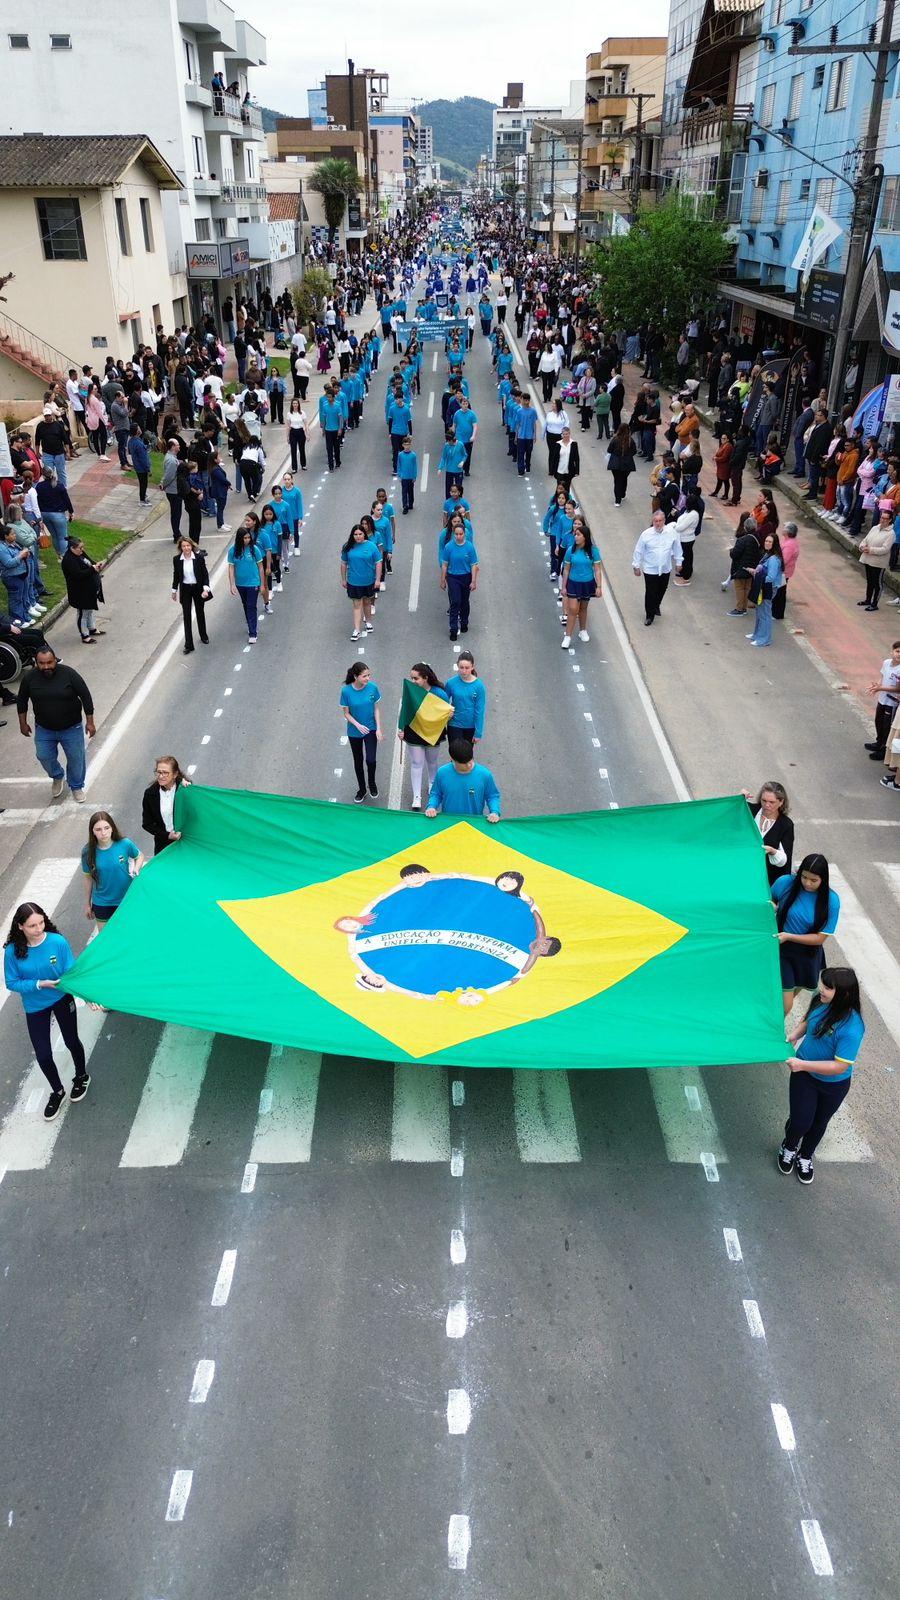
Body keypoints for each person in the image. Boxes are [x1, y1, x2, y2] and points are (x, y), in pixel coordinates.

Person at [779, 968, 865, 1185]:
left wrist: (802, 1064)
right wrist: (793, 1036)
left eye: (828, 987)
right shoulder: (820, 1002)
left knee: (818, 1123)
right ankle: (789, 1146)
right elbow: (808, 1022)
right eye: (823, 985)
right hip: (805, 1076)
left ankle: (805, 1156)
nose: (821, 990)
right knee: (800, 1123)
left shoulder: (853, 1028)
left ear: (844, 995)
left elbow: (838, 1067)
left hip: (833, 1085)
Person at [3, 903, 89, 1121]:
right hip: (35, 1007)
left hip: (61, 999)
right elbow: (12, 983)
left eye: (41, 922)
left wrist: (89, 996)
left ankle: (81, 1076)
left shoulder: (57, 942)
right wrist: (40, 984)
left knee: (72, 1041)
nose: (39, 928)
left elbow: (72, 971)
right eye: (32, 925)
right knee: (43, 1054)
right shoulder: (12, 951)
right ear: (20, 926)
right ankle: (58, 1091)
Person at [17, 645, 95, 802]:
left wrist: (90, 722)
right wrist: (22, 723)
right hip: (44, 729)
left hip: (72, 727)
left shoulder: (69, 674)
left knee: (76, 758)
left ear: (55, 660)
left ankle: (76, 786)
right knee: (43, 755)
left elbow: (85, 696)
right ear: (36, 662)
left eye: (49, 663)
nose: (46, 667)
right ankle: (57, 775)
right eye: (41, 663)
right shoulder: (30, 678)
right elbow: (22, 701)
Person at [772, 854, 840, 1017]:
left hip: (807, 954)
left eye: (813, 880)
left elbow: (820, 938)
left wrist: (790, 936)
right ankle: (769, 1033)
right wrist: (773, 908)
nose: (807, 883)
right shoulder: (785, 883)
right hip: (782, 949)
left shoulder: (832, 901)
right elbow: (770, 900)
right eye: (804, 877)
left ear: (823, 879)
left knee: (785, 996)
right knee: (785, 1005)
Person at [399, 662, 451, 811]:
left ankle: (432, 785)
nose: (413, 681)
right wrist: (401, 728)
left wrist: (449, 715)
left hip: (433, 732)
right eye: (412, 678)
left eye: (416, 678)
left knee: (432, 762)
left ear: (425, 678)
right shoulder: (411, 691)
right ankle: (417, 797)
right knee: (416, 763)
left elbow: (445, 713)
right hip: (414, 730)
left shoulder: (439, 693)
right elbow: (405, 710)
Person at [82, 810, 143, 926]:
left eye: (106, 828)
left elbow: (139, 856)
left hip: (126, 898)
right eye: (98, 829)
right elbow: (87, 878)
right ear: (92, 832)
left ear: (112, 828)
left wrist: (136, 868)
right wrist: (87, 904)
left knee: (129, 933)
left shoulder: (125, 844)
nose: (103, 833)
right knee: (107, 940)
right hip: (102, 902)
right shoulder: (87, 851)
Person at [425, 737, 501, 821]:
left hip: (473, 824)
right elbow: (436, 793)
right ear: (453, 759)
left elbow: (492, 796)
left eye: (470, 760)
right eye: (464, 763)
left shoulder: (485, 775)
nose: (469, 765)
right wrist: (431, 806)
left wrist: (494, 811)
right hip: (449, 823)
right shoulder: (442, 773)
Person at [632, 508, 683, 627]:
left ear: (664, 520)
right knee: (650, 591)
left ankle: (656, 605)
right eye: (655, 521)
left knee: (662, 588)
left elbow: (677, 547)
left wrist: (679, 562)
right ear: (653, 521)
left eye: (660, 520)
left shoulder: (671, 532)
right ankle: (649, 615)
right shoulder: (646, 534)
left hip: (665, 567)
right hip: (650, 569)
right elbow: (638, 550)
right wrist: (636, 565)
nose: (658, 523)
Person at [341, 663, 383, 802]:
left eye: (369, 675)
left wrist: (378, 728)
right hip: (354, 731)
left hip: (370, 729)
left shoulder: (373, 688)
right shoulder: (346, 691)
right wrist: (358, 725)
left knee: (371, 760)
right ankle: (362, 789)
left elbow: (376, 709)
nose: (368, 678)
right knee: (358, 761)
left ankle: (372, 783)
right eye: (364, 676)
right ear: (355, 676)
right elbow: (346, 713)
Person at [560, 525, 602, 650]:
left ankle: (582, 630)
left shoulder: (594, 551)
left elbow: (597, 570)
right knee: (573, 609)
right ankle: (567, 636)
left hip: (587, 583)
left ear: (585, 537)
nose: (575, 537)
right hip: (573, 583)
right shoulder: (570, 551)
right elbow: (566, 570)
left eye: (578, 535)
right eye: (575, 534)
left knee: (583, 607)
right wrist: (564, 587)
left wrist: (599, 586)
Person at [744, 782, 794, 885]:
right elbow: (728, 820)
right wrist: (738, 800)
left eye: (772, 802)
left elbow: (785, 861)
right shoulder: (748, 810)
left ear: (781, 802)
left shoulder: (786, 825)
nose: (767, 805)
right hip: (743, 870)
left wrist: (773, 852)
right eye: (764, 800)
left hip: (766, 880)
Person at [141, 755, 190, 855]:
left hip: (186, 842)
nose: (161, 776)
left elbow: (194, 815)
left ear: (175, 774)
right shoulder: (150, 794)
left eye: (165, 773)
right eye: (159, 772)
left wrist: (187, 787)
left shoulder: (184, 790)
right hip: (163, 845)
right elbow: (147, 824)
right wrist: (167, 835)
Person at [341, 524, 382, 641]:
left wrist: (378, 579)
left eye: (360, 534)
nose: (358, 536)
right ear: (352, 535)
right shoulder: (347, 547)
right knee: (357, 605)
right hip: (354, 582)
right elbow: (343, 563)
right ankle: (357, 630)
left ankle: (368, 622)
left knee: (367, 602)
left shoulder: (371, 547)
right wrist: (343, 579)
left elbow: (378, 562)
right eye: (355, 534)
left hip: (368, 580)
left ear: (364, 534)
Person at [172, 536, 212, 653]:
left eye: (188, 546)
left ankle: (203, 635)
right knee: (187, 616)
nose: (186, 548)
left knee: (200, 612)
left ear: (192, 546)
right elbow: (176, 576)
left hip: (197, 588)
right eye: (183, 546)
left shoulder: (199, 558)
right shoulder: (176, 559)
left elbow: (205, 575)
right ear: (181, 548)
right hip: (185, 589)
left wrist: (206, 589)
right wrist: (174, 590)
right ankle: (188, 645)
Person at [61, 537, 105, 644]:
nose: (82, 550)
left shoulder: (79, 554)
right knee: (83, 613)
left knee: (89, 610)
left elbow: (89, 561)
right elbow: (78, 575)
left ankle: (92, 629)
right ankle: (84, 635)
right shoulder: (68, 560)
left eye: (82, 547)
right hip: (79, 592)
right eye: (80, 548)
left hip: (88, 589)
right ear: (72, 548)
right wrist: (92, 569)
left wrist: (96, 565)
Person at [440, 521, 479, 641]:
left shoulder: (469, 547)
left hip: (466, 577)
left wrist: (473, 581)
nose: (458, 536)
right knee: (455, 601)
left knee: (464, 602)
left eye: (461, 534)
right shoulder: (449, 547)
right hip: (453, 577)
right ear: (453, 534)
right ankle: (453, 628)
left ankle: (464, 621)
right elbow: (445, 564)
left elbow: (474, 565)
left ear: (464, 534)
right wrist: (443, 579)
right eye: (456, 534)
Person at [227, 519, 265, 642]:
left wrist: (262, 584)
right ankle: (250, 624)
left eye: (248, 538)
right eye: (244, 538)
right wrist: (232, 584)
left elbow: (260, 567)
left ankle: (253, 632)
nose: (247, 540)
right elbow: (231, 568)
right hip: (240, 584)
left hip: (253, 582)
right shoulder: (233, 551)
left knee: (251, 606)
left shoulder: (255, 549)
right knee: (245, 605)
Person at [864, 639, 900, 761]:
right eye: (897, 651)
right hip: (882, 699)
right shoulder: (886, 663)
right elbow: (883, 677)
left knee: (887, 726)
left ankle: (884, 749)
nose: (899, 654)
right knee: (878, 721)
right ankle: (878, 742)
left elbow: (897, 688)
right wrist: (877, 687)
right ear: (892, 652)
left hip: (892, 702)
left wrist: (880, 688)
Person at [748, 531, 783, 648]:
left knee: (765, 613)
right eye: (766, 541)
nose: (767, 543)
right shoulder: (768, 554)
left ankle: (764, 639)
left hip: (767, 588)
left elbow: (771, 577)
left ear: (775, 544)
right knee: (759, 611)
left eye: (770, 542)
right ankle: (757, 635)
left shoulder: (773, 559)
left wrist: (758, 576)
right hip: (764, 586)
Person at [445, 650, 486, 744]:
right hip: (454, 724)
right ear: (457, 666)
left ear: (472, 667)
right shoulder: (451, 683)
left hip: (470, 727)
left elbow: (479, 711)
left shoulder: (479, 686)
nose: (464, 671)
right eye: (461, 667)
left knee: (466, 756)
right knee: (454, 753)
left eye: (467, 668)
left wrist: (478, 733)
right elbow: (443, 701)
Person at [857, 510, 894, 612]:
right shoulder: (875, 528)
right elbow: (865, 539)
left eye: (885, 518)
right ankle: (868, 600)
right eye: (882, 517)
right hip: (868, 559)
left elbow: (885, 549)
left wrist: (870, 550)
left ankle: (874, 603)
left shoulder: (891, 533)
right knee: (870, 581)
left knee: (877, 583)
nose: (883, 520)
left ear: (890, 520)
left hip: (879, 562)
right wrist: (862, 546)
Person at [34, 466, 75, 556]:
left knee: (55, 536)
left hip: (45, 514)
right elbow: (66, 499)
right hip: (58, 514)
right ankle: (64, 556)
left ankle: (59, 553)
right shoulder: (59, 485)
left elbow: (37, 501)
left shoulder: (39, 486)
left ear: (43, 475)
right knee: (62, 537)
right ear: (52, 473)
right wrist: (71, 512)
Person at [727, 516, 762, 617]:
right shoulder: (757, 539)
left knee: (739, 588)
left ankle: (739, 608)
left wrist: (731, 551)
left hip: (740, 568)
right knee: (747, 588)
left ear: (745, 527)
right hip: (751, 568)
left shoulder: (742, 540)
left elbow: (734, 554)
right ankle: (744, 607)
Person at [672, 491, 701, 586]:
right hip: (683, 538)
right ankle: (685, 572)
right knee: (687, 556)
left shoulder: (693, 514)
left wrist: (674, 526)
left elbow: (681, 527)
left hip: (687, 539)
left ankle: (686, 576)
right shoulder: (687, 511)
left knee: (686, 558)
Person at [772, 521, 799, 620]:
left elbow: (784, 560)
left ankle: (777, 613)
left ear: (788, 532)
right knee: (780, 591)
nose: (782, 529)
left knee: (780, 592)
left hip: (783, 572)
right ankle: (776, 612)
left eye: (785, 528)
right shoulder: (788, 541)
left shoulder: (789, 545)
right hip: (784, 571)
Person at [606, 423, 635, 506]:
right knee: (624, 478)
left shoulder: (615, 439)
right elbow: (634, 451)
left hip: (615, 464)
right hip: (627, 464)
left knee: (617, 481)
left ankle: (617, 500)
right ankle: (622, 494)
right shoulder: (630, 440)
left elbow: (609, 450)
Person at [397, 436, 418, 514]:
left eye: (408, 444)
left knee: (410, 491)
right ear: (403, 445)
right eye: (405, 444)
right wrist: (399, 475)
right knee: (404, 492)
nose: (407, 446)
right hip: (404, 477)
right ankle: (405, 506)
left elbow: (415, 466)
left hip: (410, 477)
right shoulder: (400, 455)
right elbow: (399, 465)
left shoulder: (413, 455)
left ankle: (411, 503)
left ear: (410, 445)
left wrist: (414, 476)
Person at [286, 399, 308, 472]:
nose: (295, 405)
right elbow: (288, 426)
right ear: (292, 405)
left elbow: (306, 424)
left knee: (302, 449)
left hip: (301, 431)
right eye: (294, 403)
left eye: (296, 403)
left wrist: (307, 434)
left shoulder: (302, 413)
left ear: (298, 404)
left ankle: (303, 465)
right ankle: (294, 468)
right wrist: (287, 436)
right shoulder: (289, 414)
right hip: (293, 432)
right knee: (293, 450)